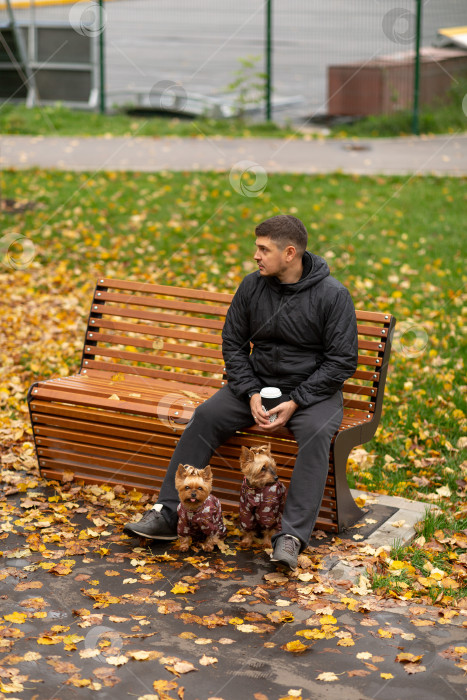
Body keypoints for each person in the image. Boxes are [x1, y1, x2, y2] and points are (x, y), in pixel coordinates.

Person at [124, 214, 358, 569]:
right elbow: (233, 343)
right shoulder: (252, 286)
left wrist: (296, 401)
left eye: (264, 249)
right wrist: (250, 392)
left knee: (314, 434)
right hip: (257, 386)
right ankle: (167, 512)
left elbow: (341, 361)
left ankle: (291, 536)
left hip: (312, 392)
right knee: (205, 416)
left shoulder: (333, 296)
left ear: (290, 253)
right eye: (257, 248)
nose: (256, 256)